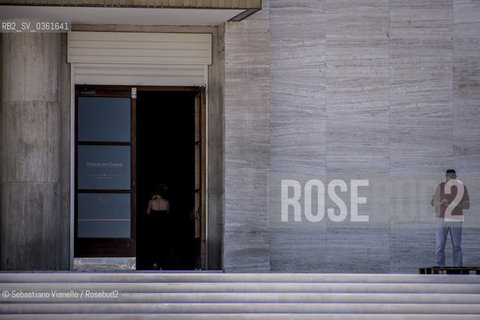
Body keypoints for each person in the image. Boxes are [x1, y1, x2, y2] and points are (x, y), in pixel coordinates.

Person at [431, 169, 470, 266]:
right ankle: (439, 269)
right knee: (439, 246)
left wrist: (454, 205)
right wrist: (441, 203)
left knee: (457, 245)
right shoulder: (441, 187)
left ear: (456, 177)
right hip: (442, 218)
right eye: (450, 176)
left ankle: (457, 269)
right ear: (446, 177)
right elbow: (432, 203)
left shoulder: (462, 187)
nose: (452, 178)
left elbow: (467, 205)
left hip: (456, 218)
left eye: (454, 176)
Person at [146, 184, 170, 269]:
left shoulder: (151, 202)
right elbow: (167, 212)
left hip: (154, 225)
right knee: (162, 244)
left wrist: (152, 200)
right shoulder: (166, 202)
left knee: (154, 244)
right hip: (163, 225)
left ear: (155, 194)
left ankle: (155, 262)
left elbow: (148, 212)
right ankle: (162, 264)